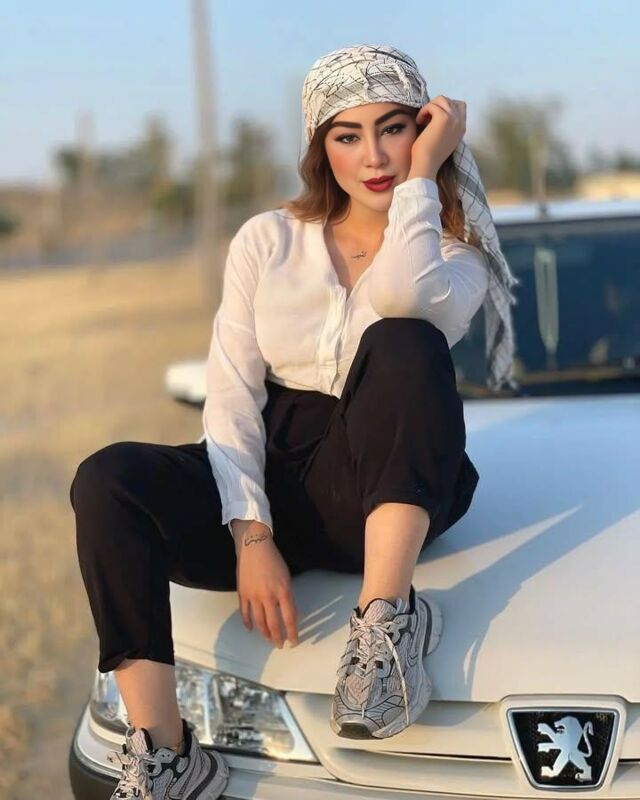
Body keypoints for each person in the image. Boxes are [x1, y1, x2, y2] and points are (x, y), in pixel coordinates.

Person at [70, 43, 518, 799]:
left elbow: (406, 298)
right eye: (348, 135)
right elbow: (232, 390)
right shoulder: (266, 239)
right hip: (271, 470)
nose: (373, 156)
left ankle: (386, 627)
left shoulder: (451, 255)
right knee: (108, 478)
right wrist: (252, 535)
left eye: (395, 129)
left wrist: (422, 178)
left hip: (378, 489)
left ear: (425, 133)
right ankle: (167, 756)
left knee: (402, 340)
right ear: (320, 147)